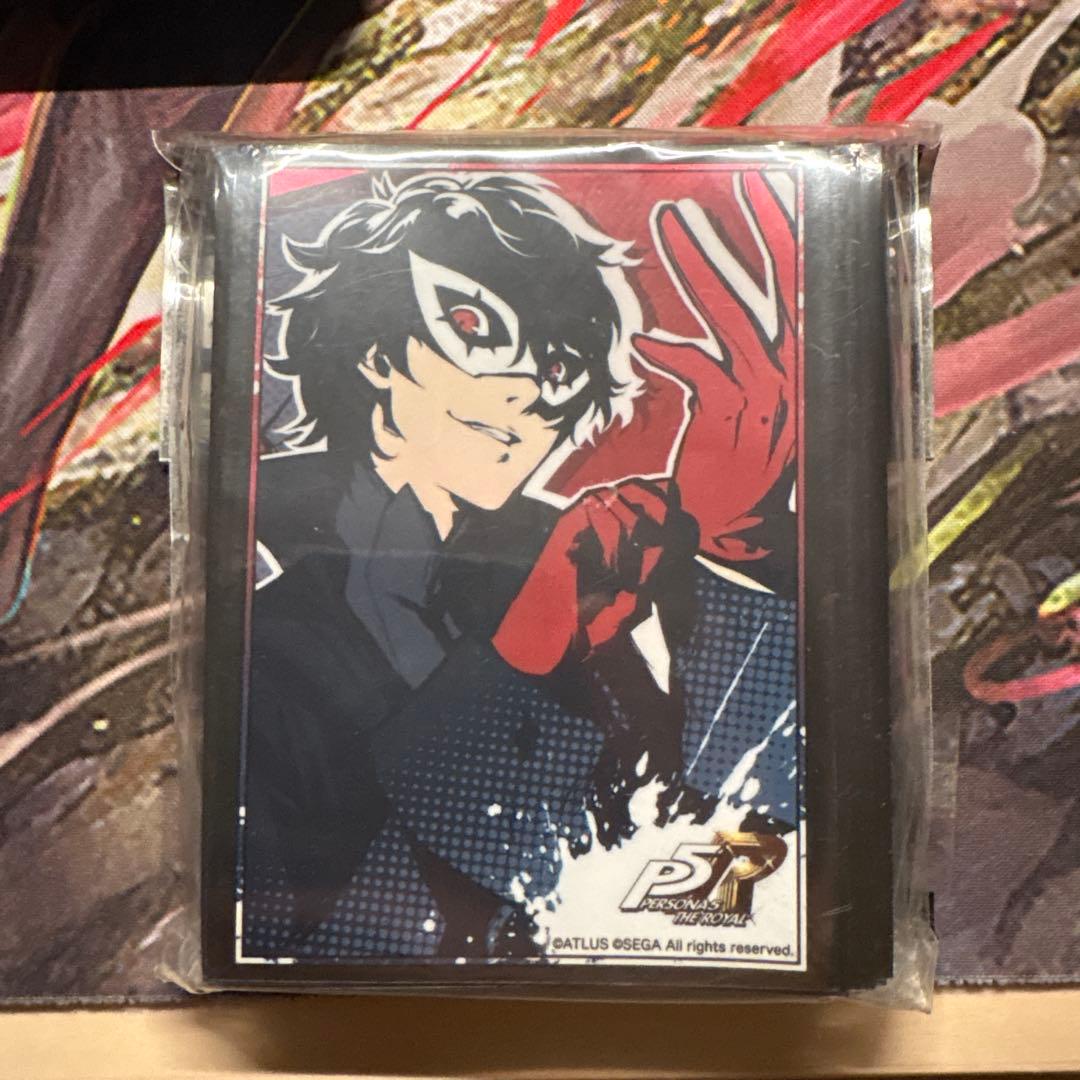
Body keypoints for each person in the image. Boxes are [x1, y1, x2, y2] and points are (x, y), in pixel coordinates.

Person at [242, 169, 799, 961]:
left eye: (563, 369)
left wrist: (739, 555)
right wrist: (519, 656)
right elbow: (311, 956)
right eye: (477, 330)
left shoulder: (594, 562)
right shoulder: (263, 635)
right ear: (374, 349)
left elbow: (739, 861)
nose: (533, 392)